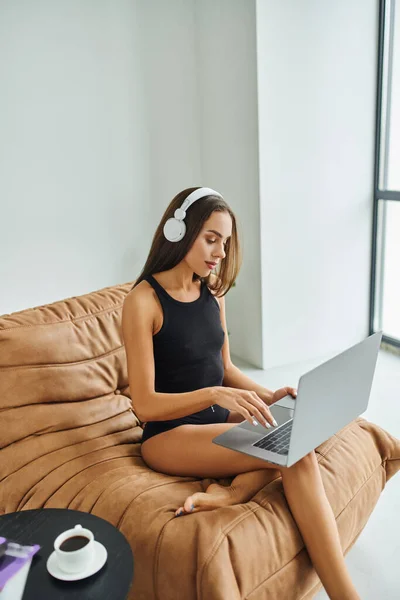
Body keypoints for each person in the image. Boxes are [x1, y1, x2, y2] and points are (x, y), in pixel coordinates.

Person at [122, 187, 360, 600]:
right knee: (295, 454)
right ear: (180, 231)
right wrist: (213, 394)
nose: (219, 252)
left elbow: (227, 368)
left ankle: (231, 493)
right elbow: (144, 405)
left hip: (215, 420)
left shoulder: (212, 292)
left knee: (300, 429)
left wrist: (270, 396)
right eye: (210, 238)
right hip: (168, 435)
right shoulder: (143, 301)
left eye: (225, 241)